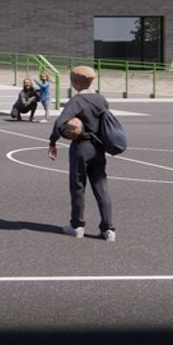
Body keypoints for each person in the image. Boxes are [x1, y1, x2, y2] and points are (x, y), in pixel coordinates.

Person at [46, 66, 116, 241]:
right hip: (99, 148)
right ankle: (108, 229)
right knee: (101, 186)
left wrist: (53, 141)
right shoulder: (101, 99)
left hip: (81, 147)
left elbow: (60, 122)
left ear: (75, 82)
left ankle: (77, 225)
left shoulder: (76, 101)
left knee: (78, 186)